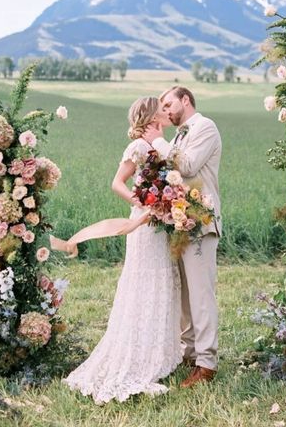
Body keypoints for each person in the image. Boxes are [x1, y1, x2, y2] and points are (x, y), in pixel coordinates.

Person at [63, 97, 182, 404]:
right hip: (144, 223)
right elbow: (117, 182)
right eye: (163, 109)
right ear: (151, 115)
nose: (168, 113)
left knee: (161, 281)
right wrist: (142, 204)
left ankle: (159, 351)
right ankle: (136, 356)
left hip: (161, 224)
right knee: (144, 282)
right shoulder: (140, 147)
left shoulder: (160, 143)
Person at [143, 86, 222, 388]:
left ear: (185, 100)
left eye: (168, 104)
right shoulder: (178, 136)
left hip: (201, 222)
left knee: (201, 295)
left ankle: (207, 364)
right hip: (179, 223)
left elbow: (187, 165)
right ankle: (188, 354)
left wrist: (157, 141)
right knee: (185, 295)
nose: (165, 110)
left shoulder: (205, 127)